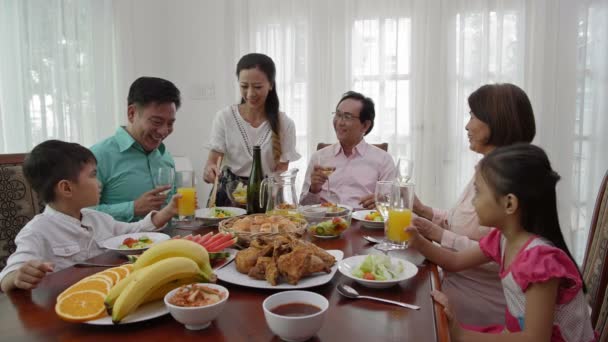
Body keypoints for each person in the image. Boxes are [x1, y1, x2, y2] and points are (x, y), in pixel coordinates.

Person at [408, 144, 596, 341]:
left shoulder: (540, 261)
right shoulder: (503, 239)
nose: (473, 202)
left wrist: (462, 334)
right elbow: (455, 261)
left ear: (509, 203)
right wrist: (418, 241)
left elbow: (535, 338)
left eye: (478, 193)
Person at [411, 83, 536, 326]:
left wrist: (439, 235)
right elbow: (465, 220)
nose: (467, 125)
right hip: (454, 279)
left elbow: (502, 254)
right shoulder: (487, 168)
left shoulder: (516, 179)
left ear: (497, 121)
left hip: (482, 302)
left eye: (473, 116)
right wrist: (424, 211)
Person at [0, 140, 179, 292]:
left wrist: (168, 211)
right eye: (93, 176)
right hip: (67, 304)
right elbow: (7, 276)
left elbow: (136, 231)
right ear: (67, 188)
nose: (99, 182)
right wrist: (19, 275)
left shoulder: (97, 218)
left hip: (110, 289)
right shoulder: (37, 231)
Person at [203, 53, 300, 206]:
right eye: (244, 86)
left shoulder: (285, 124)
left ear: (271, 84)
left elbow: (281, 170)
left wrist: (273, 194)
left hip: (266, 196)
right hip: (229, 196)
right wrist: (210, 171)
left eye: (257, 87)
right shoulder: (225, 117)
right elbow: (212, 162)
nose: (250, 94)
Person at [91, 76, 181, 222]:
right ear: (131, 113)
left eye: (170, 123)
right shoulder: (97, 156)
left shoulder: (165, 156)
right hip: (119, 243)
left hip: (167, 241)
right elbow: (81, 214)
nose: (164, 131)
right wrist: (132, 208)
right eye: (157, 121)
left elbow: (173, 210)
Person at [300, 91, 396, 209]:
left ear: (365, 125)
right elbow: (303, 207)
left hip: (364, 223)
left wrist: (382, 200)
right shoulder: (319, 157)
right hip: (325, 223)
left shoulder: (383, 160)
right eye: (338, 115)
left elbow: (393, 202)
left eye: (347, 117)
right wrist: (314, 189)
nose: (339, 122)